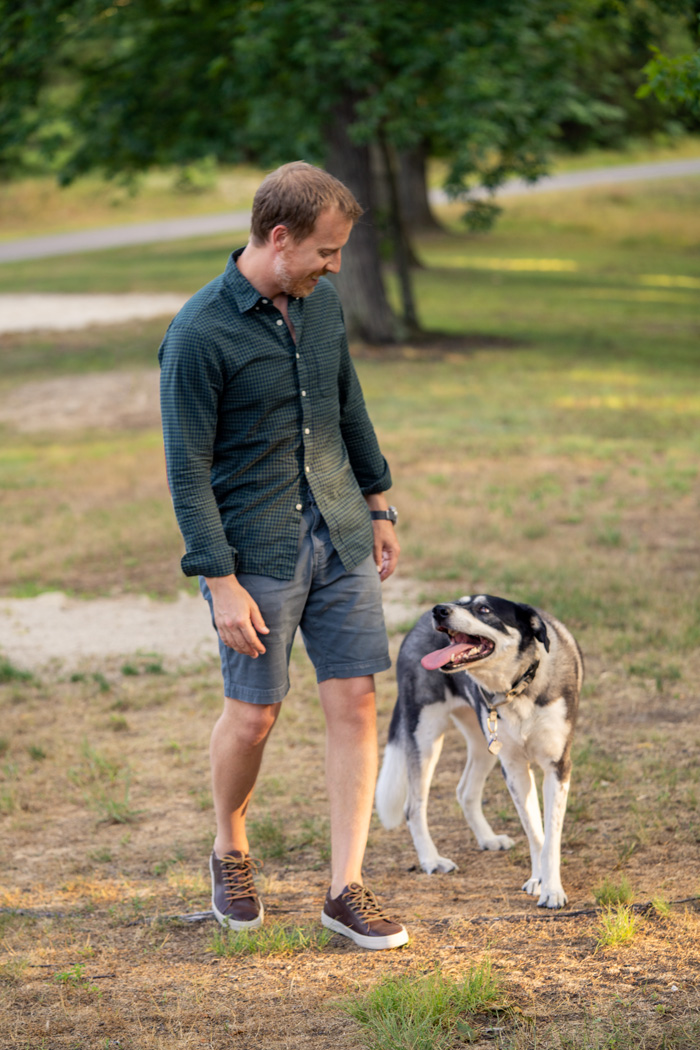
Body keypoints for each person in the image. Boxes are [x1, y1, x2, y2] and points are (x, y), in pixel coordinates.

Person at [159, 161, 408, 950]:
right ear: (278, 238)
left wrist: (377, 502)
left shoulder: (321, 304)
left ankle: (346, 889)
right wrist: (221, 581)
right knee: (255, 714)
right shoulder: (199, 334)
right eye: (326, 252)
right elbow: (186, 470)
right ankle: (230, 850)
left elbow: (347, 405)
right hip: (253, 548)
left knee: (357, 701)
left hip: (338, 529)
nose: (334, 266)